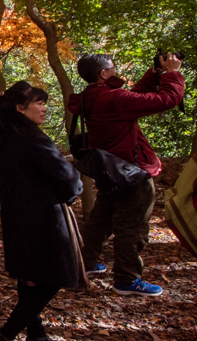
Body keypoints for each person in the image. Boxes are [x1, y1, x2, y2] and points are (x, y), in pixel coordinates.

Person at [67, 53, 185, 295]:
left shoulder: (90, 96)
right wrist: (172, 74)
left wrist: (154, 74)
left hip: (109, 171)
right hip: (131, 172)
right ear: (103, 73)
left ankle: (85, 263)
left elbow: (133, 99)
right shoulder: (113, 98)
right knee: (133, 226)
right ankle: (127, 279)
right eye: (113, 68)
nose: (116, 70)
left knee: (100, 220)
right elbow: (167, 99)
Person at [0, 81, 84, 341]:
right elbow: (67, 179)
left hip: (18, 218)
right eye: (38, 103)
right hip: (44, 219)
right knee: (51, 277)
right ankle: (6, 335)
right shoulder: (34, 140)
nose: (43, 108)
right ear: (20, 108)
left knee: (30, 277)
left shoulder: (4, 139)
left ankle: (37, 336)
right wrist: (75, 187)